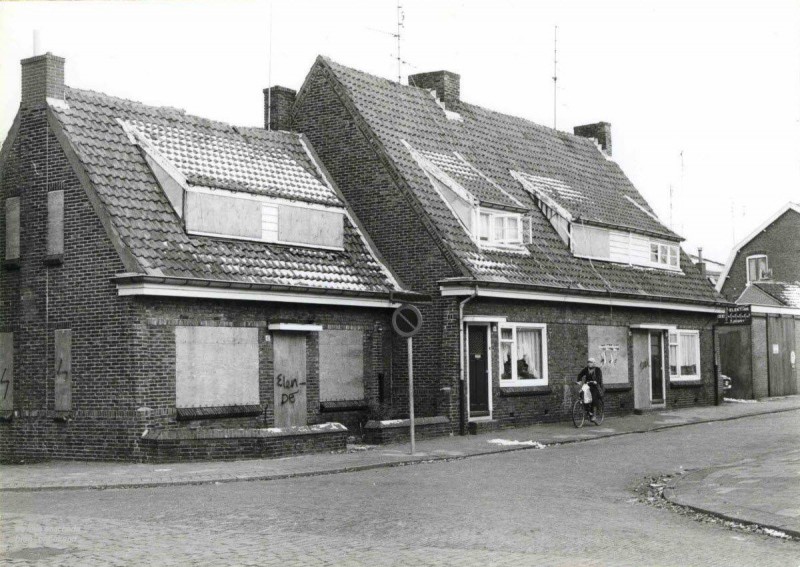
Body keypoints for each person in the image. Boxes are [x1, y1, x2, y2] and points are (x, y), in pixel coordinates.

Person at [577, 357, 604, 424]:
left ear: (594, 363)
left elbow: (599, 377)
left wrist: (596, 381)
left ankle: (594, 415)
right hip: (588, 385)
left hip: (595, 386)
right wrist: (579, 381)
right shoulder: (586, 369)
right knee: (582, 394)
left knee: (594, 398)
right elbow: (580, 374)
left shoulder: (597, 370)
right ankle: (587, 410)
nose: (589, 363)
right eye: (588, 362)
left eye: (591, 362)